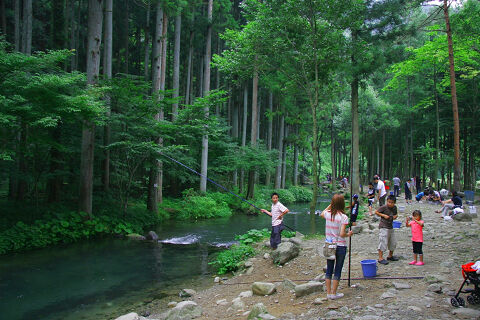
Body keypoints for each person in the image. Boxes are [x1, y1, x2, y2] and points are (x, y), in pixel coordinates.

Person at [320, 194, 353, 300]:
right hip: (340, 245)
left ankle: (329, 293)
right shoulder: (343, 217)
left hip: (329, 245)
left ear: (332, 203)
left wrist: (330, 205)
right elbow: (342, 234)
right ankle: (334, 293)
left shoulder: (328, 214)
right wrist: (349, 234)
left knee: (329, 269)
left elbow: (321, 213)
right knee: (337, 269)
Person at [375, 195, 398, 265]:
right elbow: (376, 212)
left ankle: (390, 256)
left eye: (392, 202)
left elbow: (396, 214)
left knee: (393, 242)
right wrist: (383, 215)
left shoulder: (394, 208)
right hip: (383, 226)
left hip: (390, 226)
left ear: (394, 203)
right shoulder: (384, 207)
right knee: (383, 241)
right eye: (389, 202)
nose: (390, 204)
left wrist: (395, 216)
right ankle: (380, 258)